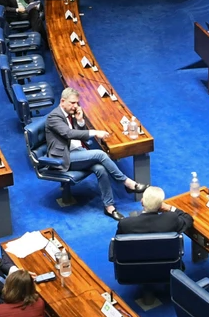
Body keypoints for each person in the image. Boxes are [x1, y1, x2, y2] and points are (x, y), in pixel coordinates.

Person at [45, 88, 148, 220]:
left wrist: (80, 121)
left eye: (77, 103)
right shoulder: (54, 117)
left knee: (100, 168)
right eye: (72, 103)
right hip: (64, 158)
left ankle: (109, 207)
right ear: (62, 101)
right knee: (100, 154)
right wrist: (94, 132)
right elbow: (68, 134)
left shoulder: (69, 114)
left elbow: (80, 136)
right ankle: (126, 182)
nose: (75, 106)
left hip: (77, 152)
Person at [116, 187, 193, 234]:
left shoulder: (125, 224)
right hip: (166, 259)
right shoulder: (171, 219)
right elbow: (188, 219)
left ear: (142, 202)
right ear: (160, 206)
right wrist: (170, 208)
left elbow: (118, 245)